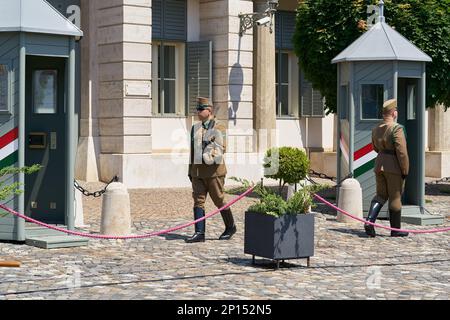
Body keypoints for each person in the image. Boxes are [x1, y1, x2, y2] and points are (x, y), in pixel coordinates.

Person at [185, 97, 236, 243]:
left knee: (219, 200)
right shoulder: (195, 127)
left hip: (214, 172)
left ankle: (230, 226)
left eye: (201, 109)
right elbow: (192, 151)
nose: (198, 112)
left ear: (210, 110)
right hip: (198, 172)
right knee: (198, 201)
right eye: (198, 109)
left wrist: (209, 156)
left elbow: (222, 148)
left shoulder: (219, 127)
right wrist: (190, 170)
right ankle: (199, 232)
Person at [365, 98, 409, 237]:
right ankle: (395, 230)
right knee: (395, 198)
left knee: (380, 195)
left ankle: (369, 221)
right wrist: (405, 170)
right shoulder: (397, 128)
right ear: (394, 112)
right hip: (393, 167)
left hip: (379, 165)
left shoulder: (376, 129)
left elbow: (374, 148)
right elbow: (401, 152)